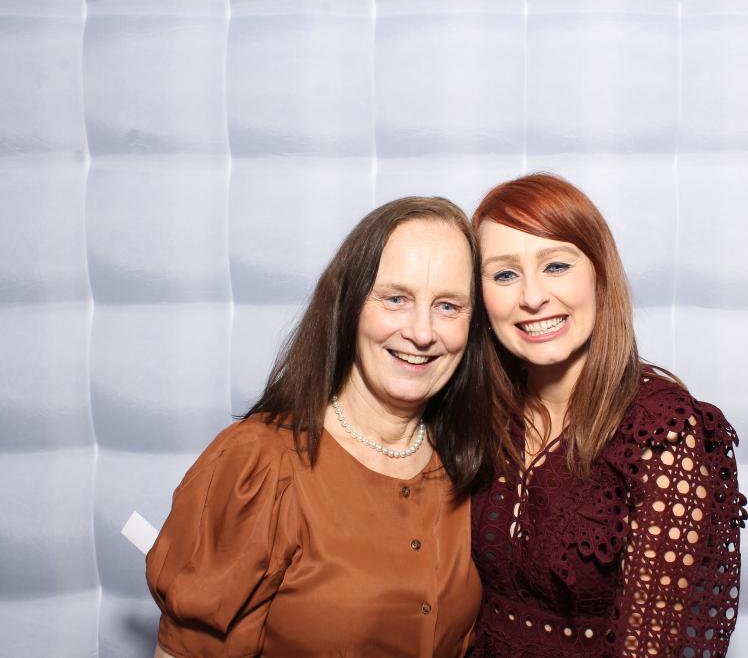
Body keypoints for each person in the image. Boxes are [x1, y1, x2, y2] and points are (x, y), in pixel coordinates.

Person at [146, 196, 490, 657]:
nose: (422, 332)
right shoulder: (261, 465)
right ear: (349, 305)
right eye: (396, 299)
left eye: (448, 306)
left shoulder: (463, 466)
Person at [468, 174, 748, 657]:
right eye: (505, 274)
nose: (532, 297)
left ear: (599, 275)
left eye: (556, 265)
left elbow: (649, 647)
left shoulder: (662, 430)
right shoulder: (480, 409)